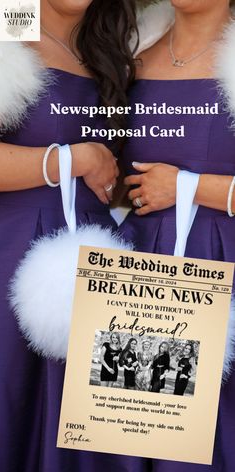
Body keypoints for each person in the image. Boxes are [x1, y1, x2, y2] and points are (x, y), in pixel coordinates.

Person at [0, 1, 144, 471]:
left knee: (110, 425)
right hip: (15, 255)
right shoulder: (8, 29)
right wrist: (70, 160)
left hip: (101, 256)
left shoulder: (113, 45)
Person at [119, 0, 235, 469]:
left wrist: (187, 187)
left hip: (219, 264)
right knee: (129, 430)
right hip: (137, 271)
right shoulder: (131, 52)